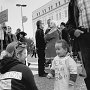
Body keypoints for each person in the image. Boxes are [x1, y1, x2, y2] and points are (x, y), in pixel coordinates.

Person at [66, 0, 90, 89]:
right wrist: (73, 31)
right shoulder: (73, 2)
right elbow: (70, 22)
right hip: (84, 35)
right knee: (88, 68)